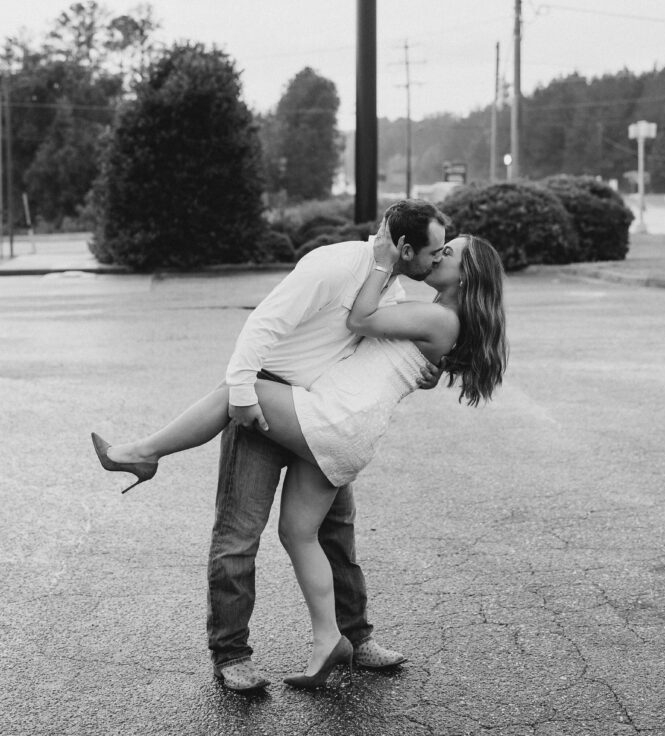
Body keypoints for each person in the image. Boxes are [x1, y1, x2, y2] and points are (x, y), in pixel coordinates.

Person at [93, 221, 507, 689]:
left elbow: (360, 320)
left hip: (330, 417)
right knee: (298, 533)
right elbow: (376, 339)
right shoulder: (416, 307)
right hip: (347, 430)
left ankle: (143, 453)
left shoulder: (431, 313)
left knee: (237, 389)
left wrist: (380, 263)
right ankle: (327, 639)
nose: (438, 256)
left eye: (447, 252)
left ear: (466, 276)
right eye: (438, 247)